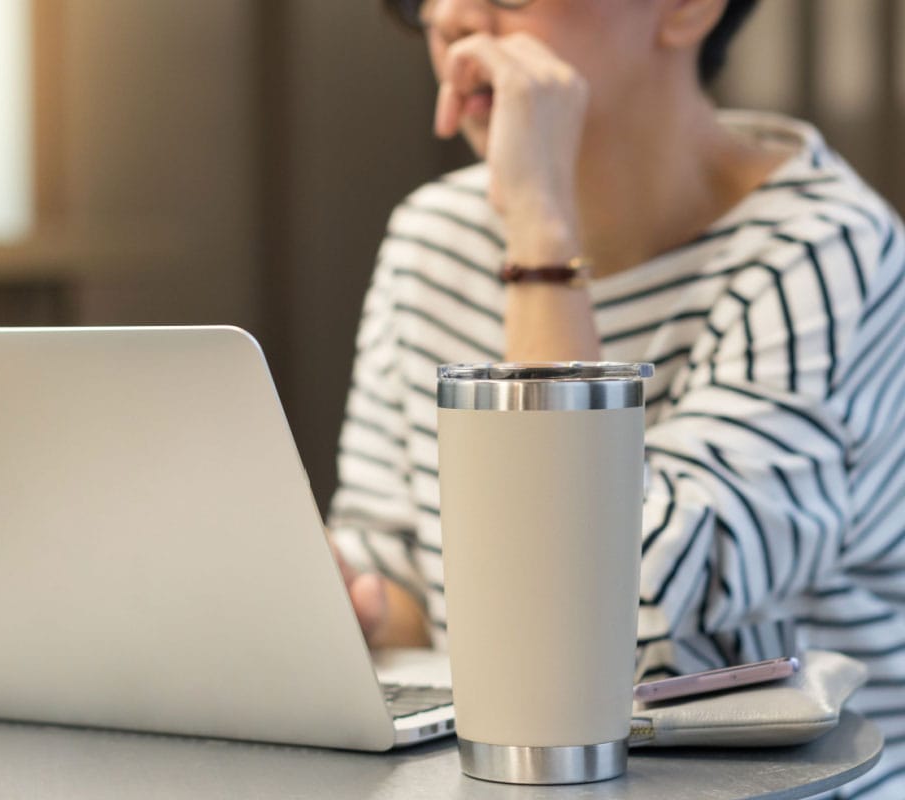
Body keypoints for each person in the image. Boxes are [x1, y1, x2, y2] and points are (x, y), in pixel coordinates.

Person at [326, 1, 905, 797]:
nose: (452, 16)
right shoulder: (433, 239)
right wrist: (333, 601)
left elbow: (608, 614)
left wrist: (541, 237)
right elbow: (414, 590)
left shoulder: (825, 249)